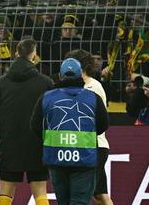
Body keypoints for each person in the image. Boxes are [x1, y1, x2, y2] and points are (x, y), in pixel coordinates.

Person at [0, 39, 53, 205]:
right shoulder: (46, 82)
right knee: (40, 190)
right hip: (37, 143)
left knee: (6, 190)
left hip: (9, 143)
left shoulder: (1, 82)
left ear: (16, 54)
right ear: (34, 55)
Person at [32, 59, 108, 205]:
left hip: (56, 159)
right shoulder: (93, 98)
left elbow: (35, 126)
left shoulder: (47, 97)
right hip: (84, 160)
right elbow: (103, 125)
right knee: (80, 201)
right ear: (81, 75)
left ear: (60, 76)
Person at [70, 49, 114, 205]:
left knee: (94, 194)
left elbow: (100, 118)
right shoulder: (73, 86)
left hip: (95, 146)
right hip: (82, 145)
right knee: (99, 194)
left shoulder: (93, 86)